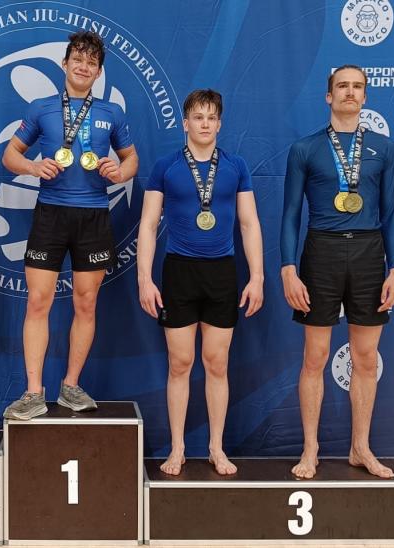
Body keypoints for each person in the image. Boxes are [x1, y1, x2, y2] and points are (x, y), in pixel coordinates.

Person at [1, 31, 138, 420]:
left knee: (86, 302)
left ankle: (71, 385)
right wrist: (33, 168)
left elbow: (132, 160)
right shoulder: (41, 108)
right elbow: (10, 155)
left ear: (99, 72)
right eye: (77, 59)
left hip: (93, 215)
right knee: (38, 301)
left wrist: (119, 172)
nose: (83, 67)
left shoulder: (112, 113)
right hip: (51, 213)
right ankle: (33, 392)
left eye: (92, 63)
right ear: (64, 64)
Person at [280, 64, 394, 479]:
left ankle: (360, 447)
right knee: (314, 357)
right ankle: (310, 448)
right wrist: (288, 269)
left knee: (365, 358)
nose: (350, 92)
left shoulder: (384, 148)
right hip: (322, 252)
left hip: (369, 254)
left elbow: (391, 213)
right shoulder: (305, 148)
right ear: (328, 96)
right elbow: (290, 214)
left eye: (357, 87)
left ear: (365, 96)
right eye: (342, 86)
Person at [138, 89, 263, 475]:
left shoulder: (236, 166)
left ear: (219, 124)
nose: (205, 124)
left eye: (211, 118)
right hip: (179, 272)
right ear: (185, 123)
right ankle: (177, 448)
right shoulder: (166, 166)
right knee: (180, 363)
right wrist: (144, 279)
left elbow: (249, 224)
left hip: (222, 272)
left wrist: (257, 277)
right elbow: (148, 225)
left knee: (216, 363)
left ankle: (216, 448)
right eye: (198, 117)